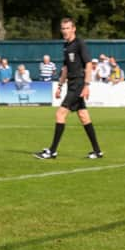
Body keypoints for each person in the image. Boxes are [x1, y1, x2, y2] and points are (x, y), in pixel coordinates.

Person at [35, 18, 103, 160]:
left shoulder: (79, 43)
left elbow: (89, 64)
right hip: (72, 84)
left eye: (67, 28)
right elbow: (65, 68)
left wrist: (87, 85)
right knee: (84, 117)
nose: (65, 31)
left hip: (78, 83)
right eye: (63, 28)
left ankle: (52, 151)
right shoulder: (66, 46)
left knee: (60, 114)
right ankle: (97, 151)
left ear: (74, 29)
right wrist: (59, 86)